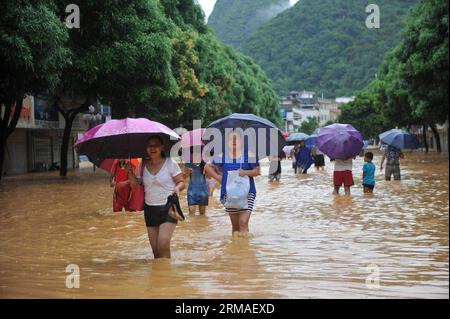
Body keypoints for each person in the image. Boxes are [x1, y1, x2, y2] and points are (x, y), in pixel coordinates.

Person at [130, 136, 185, 259]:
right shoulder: (143, 165)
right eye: (150, 145)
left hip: (168, 208)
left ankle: (166, 275)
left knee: (163, 244)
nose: (152, 148)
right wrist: (129, 171)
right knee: (155, 251)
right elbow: (135, 185)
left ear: (162, 147)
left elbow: (181, 182)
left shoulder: (170, 163)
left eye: (156, 145)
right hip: (150, 209)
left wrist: (177, 188)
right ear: (146, 148)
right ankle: (160, 276)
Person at [205, 131, 261, 237]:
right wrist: (220, 179)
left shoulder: (249, 154)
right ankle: (235, 249)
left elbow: (258, 171)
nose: (234, 141)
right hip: (229, 194)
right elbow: (207, 167)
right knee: (235, 227)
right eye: (231, 139)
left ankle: (244, 249)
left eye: (237, 139)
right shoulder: (223, 155)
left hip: (247, 193)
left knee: (243, 222)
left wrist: (245, 172)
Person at [183, 147, 209, 216]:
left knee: (202, 214)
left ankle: (202, 227)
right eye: (194, 154)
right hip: (191, 191)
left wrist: (207, 171)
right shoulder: (188, 164)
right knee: (191, 214)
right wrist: (187, 172)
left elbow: (210, 177)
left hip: (203, 191)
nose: (195, 156)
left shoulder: (205, 164)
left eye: (198, 154)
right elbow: (183, 178)